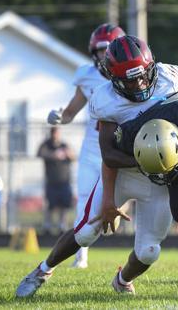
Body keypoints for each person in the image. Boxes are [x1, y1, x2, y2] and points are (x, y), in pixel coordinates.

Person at [15, 35, 178, 298]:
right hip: (126, 172)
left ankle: (122, 281)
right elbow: (110, 155)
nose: (139, 84)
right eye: (130, 79)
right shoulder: (106, 100)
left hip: (159, 177)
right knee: (87, 232)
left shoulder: (167, 77)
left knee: (149, 251)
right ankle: (42, 270)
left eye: (143, 76)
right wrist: (110, 201)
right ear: (113, 79)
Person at [47, 23, 126, 269]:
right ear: (94, 52)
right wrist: (60, 116)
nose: (105, 55)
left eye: (110, 49)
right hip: (93, 148)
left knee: (117, 210)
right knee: (83, 198)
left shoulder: (131, 73)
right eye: (101, 50)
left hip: (121, 150)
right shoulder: (87, 75)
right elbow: (71, 111)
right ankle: (81, 255)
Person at [37, 127, 75, 234]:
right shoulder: (46, 145)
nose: (56, 135)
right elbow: (40, 153)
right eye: (54, 133)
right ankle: (47, 226)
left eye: (57, 133)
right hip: (51, 181)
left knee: (64, 205)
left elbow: (73, 157)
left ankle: (62, 226)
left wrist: (67, 154)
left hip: (64, 181)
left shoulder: (64, 145)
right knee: (50, 205)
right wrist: (53, 155)